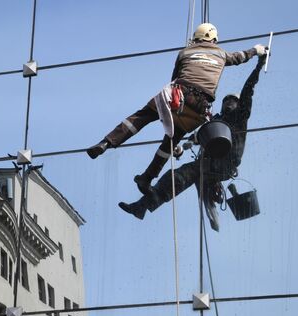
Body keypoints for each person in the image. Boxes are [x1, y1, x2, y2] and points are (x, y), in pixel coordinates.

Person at [87, 23, 267, 195]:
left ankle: (106, 143)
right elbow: (240, 57)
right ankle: (146, 178)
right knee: (171, 140)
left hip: (177, 94)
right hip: (199, 106)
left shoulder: (185, 52)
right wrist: (256, 51)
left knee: (142, 116)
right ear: (214, 39)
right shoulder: (221, 54)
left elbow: (176, 77)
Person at [118, 55, 266, 231]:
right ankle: (143, 206)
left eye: (232, 101)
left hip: (225, 164)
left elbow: (248, 89)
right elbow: (200, 136)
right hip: (211, 163)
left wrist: (258, 67)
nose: (228, 104)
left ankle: (147, 204)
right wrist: (183, 146)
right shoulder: (217, 120)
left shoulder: (240, 118)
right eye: (225, 101)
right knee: (180, 177)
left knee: (187, 173)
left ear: (239, 104)